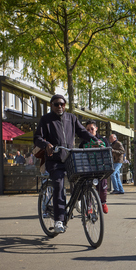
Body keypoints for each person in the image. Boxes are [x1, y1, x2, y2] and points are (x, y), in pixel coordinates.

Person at [34, 94, 99, 234]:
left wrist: (94, 140)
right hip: (54, 161)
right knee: (59, 185)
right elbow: (37, 138)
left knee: (83, 178)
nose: (59, 107)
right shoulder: (46, 120)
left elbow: (82, 131)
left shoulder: (71, 118)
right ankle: (58, 220)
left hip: (70, 158)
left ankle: (77, 201)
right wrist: (46, 145)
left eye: (62, 104)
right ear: (51, 105)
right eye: (56, 104)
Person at [80, 120, 109, 214]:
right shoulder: (83, 142)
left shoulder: (103, 140)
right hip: (88, 169)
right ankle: (89, 207)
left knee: (103, 188)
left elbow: (109, 151)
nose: (90, 131)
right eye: (87, 129)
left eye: (91, 129)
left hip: (101, 168)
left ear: (96, 129)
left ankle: (103, 203)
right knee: (86, 187)